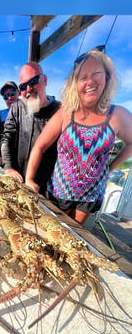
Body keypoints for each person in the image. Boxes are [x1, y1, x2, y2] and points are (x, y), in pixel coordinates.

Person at [25, 47, 132, 225]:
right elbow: (39, 146)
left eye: (96, 73)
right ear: (75, 83)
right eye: (83, 77)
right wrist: (29, 179)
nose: (90, 81)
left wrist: (111, 168)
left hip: (90, 197)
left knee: (75, 235)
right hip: (58, 194)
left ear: (107, 77)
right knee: (53, 233)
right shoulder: (66, 113)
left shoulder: (118, 115)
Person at [0, 61, 61, 196]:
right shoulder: (17, 107)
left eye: (33, 81)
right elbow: (6, 138)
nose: (28, 89)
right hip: (18, 180)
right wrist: (9, 168)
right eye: (23, 86)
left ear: (44, 80)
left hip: (46, 188)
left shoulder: (60, 110)